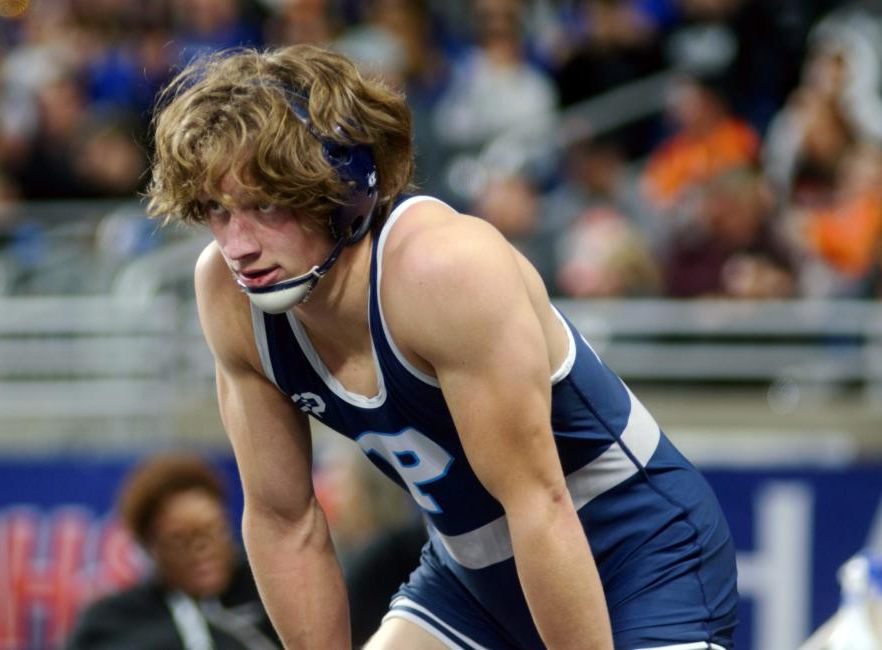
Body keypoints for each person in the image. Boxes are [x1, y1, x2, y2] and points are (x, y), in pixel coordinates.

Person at [146, 43, 739, 649]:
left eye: (263, 205)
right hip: (472, 575)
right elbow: (283, 520)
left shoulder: (442, 268)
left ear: (343, 184)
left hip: (636, 550)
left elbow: (540, 503)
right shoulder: (225, 291)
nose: (237, 246)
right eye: (217, 210)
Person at [64, 454, 280, 650]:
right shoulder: (113, 622)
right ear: (149, 546)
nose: (201, 549)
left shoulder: (270, 592)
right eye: (180, 540)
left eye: (213, 531)